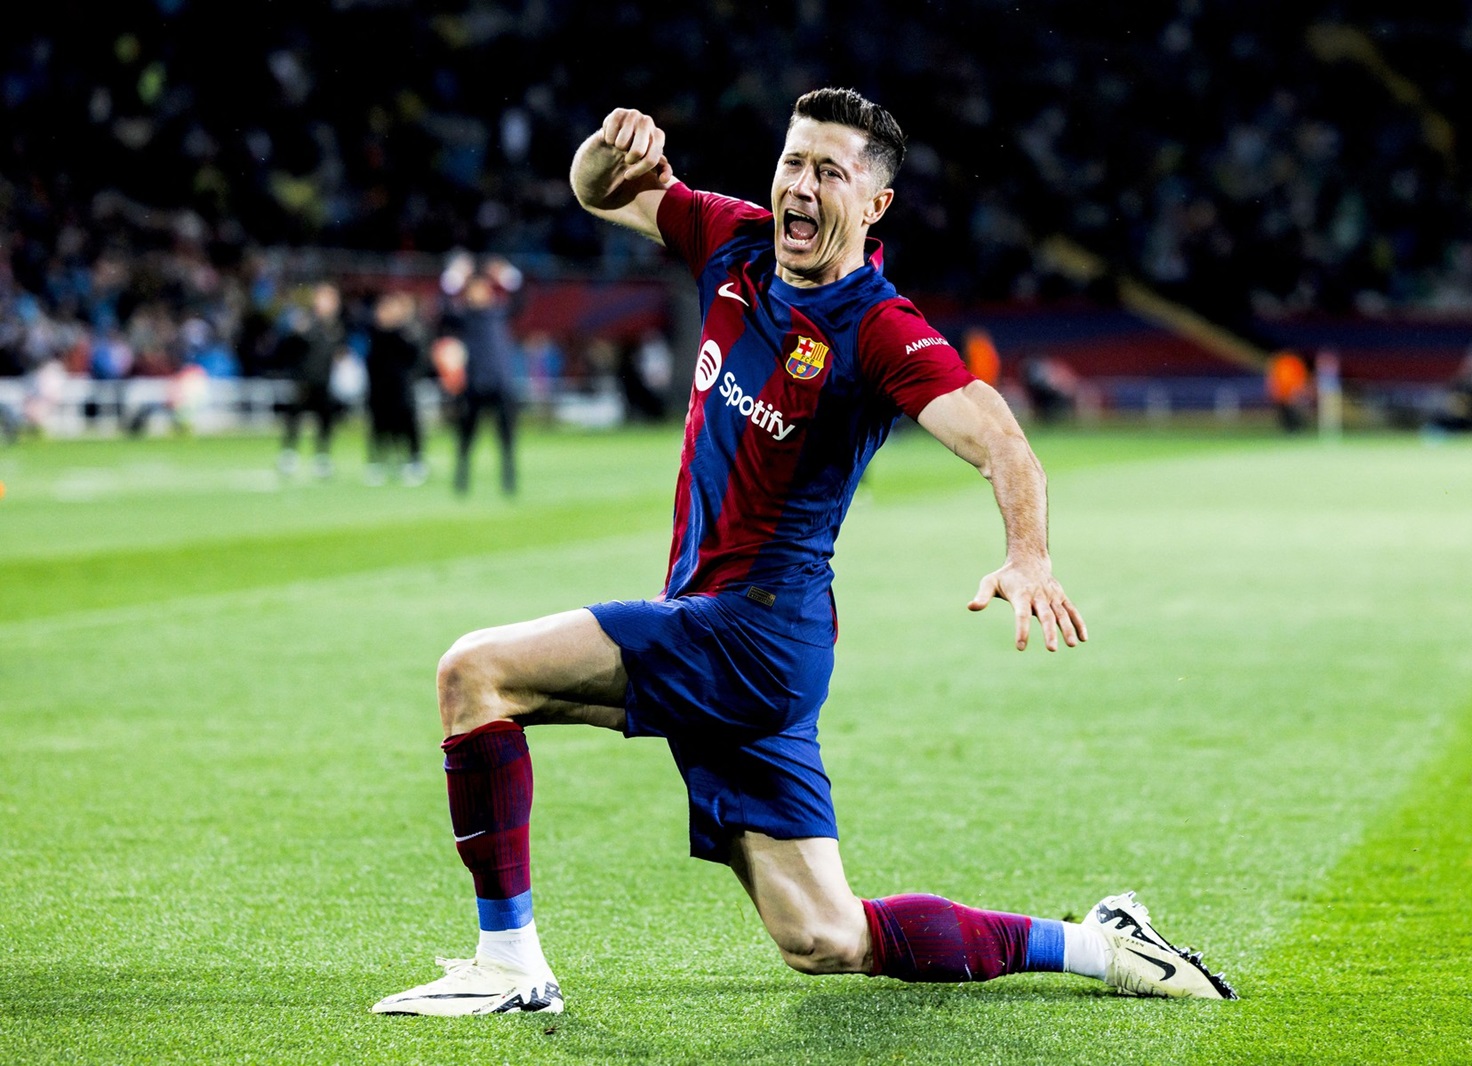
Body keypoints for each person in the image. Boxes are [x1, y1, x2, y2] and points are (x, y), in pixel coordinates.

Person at [373, 89, 1234, 1017]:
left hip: (751, 634)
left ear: (874, 206)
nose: (802, 186)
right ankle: (1101, 947)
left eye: (832, 172)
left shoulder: (879, 329)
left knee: (477, 673)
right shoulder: (734, 243)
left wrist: (1029, 555)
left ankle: (507, 963)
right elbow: (599, 192)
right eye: (794, 162)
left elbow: (998, 436)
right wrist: (601, 151)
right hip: (751, 643)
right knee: (825, 938)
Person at [440, 254, 524, 495]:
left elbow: (521, 300)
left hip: (501, 382)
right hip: (475, 383)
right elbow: (443, 305)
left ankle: (509, 480)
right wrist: (455, 275)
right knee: (466, 435)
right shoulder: (464, 316)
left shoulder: (499, 312)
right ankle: (461, 479)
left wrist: (506, 274)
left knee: (506, 437)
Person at [278, 282, 345, 479]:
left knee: (325, 420)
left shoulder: (336, 326)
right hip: (304, 379)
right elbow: (289, 348)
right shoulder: (306, 321)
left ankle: (322, 456)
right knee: (295, 417)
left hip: (325, 380)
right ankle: (289, 455)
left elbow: (338, 353)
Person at [364, 290, 428, 486]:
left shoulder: (406, 333)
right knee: (379, 427)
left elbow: (416, 357)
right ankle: (378, 463)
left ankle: (414, 460)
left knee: (407, 425)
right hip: (379, 389)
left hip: (401, 389)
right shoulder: (375, 333)